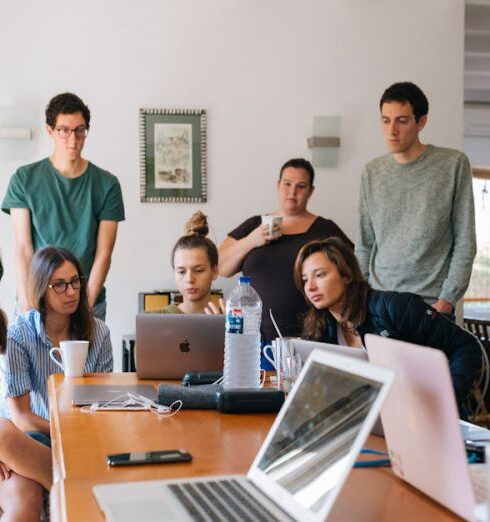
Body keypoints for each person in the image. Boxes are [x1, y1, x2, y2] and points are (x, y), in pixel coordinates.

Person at [294, 237, 481, 414]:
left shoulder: (395, 307)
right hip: (373, 419)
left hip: (425, 416)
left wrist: (447, 401)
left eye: (319, 275)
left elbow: (466, 346)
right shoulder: (320, 327)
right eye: (304, 279)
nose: (309, 287)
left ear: (346, 275)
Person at [355, 82, 476, 317]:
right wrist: (361, 296)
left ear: (421, 122)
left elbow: (465, 241)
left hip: (431, 305)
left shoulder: (452, 164)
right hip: (379, 302)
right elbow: (364, 244)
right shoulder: (372, 171)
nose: (392, 130)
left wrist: (447, 299)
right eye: (385, 120)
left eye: (402, 120)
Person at [2, 92, 125, 321]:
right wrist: (27, 302)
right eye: (64, 130)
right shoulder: (24, 179)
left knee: (87, 358)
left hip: (87, 300)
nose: (73, 139)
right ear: (50, 130)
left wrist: (85, 307)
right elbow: (22, 247)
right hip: (38, 300)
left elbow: (104, 253)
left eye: (80, 130)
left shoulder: (107, 184)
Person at [219, 158, 353, 343]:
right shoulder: (254, 225)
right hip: (254, 339)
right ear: (278, 185)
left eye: (301, 186)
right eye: (287, 184)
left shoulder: (325, 229)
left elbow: (353, 271)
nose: (292, 192)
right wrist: (252, 240)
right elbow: (220, 266)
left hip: (314, 336)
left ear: (310, 191)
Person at [0, 246, 113, 443]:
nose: (71, 292)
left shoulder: (100, 333)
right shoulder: (18, 334)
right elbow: (22, 418)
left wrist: (83, 432)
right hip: (38, 436)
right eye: (59, 285)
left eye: (75, 282)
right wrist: (67, 431)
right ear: (42, 289)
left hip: (87, 434)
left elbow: (103, 404)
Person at [163, 211, 224, 314]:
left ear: (214, 271)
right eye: (181, 272)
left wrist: (224, 329)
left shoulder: (229, 322)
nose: (189, 279)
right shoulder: (154, 319)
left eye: (198, 270)